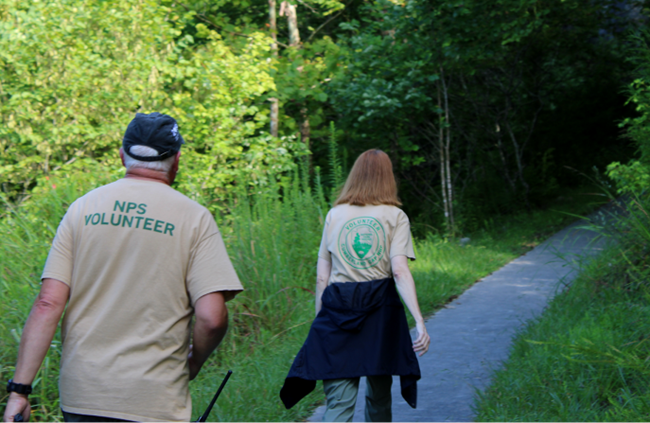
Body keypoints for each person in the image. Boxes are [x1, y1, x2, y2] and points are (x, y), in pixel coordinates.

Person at [3, 112, 243, 423]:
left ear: (122, 155)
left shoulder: (83, 209)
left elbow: (48, 303)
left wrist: (19, 391)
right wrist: (193, 363)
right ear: (177, 160)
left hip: (83, 396)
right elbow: (212, 318)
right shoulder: (195, 219)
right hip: (155, 400)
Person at [280, 149, 430, 422]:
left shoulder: (334, 214)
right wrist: (419, 321)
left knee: (339, 403)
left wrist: (320, 321)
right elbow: (399, 271)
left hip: (337, 310)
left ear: (355, 176)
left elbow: (321, 277)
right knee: (379, 397)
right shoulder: (395, 216)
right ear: (388, 177)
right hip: (381, 311)